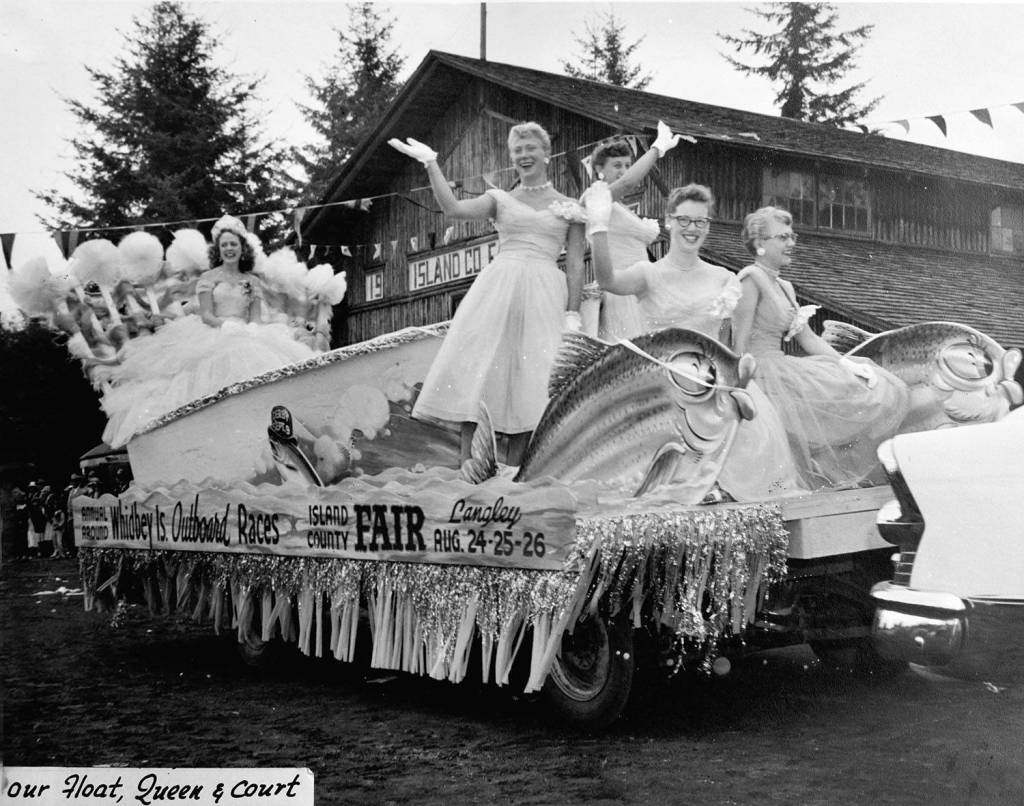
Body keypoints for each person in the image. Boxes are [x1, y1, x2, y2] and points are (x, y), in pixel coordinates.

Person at [587, 182, 806, 500]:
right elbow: (607, 280)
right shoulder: (648, 274)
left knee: (751, 446)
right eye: (684, 220)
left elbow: (735, 343)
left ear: (708, 227)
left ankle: (719, 485)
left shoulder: (724, 279)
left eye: (700, 222)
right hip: (662, 385)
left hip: (711, 384)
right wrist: (598, 225)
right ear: (669, 221)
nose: (692, 229)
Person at [389, 122, 586, 465]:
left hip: (544, 293)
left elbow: (575, 266)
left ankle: (519, 468)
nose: (524, 156)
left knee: (535, 374)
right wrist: (431, 164)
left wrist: (572, 313)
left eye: (530, 149)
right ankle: (470, 464)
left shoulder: (569, 206)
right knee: (481, 368)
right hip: (499, 290)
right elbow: (454, 209)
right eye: (517, 151)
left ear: (547, 154)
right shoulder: (501, 199)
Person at [99, 216, 317, 448]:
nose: (229, 249)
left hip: (247, 331)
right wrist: (227, 326)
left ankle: (264, 431)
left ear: (242, 248)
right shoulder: (208, 279)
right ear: (218, 250)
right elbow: (206, 315)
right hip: (215, 330)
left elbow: (255, 316)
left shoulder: (251, 281)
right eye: (224, 245)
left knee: (267, 363)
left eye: (234, 244)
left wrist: (251, 329)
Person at [731, 206, 910, 489]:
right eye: (782, 237)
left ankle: (834, 472)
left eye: (792, 237)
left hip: (785, 368)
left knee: (877, 388)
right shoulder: (750, 279)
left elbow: (810, 340)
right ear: (759, 243)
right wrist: (742, 390)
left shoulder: (785, 287)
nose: (791, 243)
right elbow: (738, 347)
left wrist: (847, 364)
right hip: (761, 375)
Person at [580, 121, 682, 341]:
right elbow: (628, 183)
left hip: (643, 286)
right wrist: (658, 147)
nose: (624, 171)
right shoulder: (595, 197)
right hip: (621, 289)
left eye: (627, 165)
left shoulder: (622, 208)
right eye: (617, 165)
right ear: (599, 169)